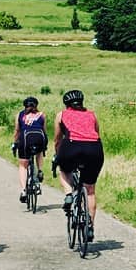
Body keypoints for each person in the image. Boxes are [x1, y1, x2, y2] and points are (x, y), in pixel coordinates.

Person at [53, 88, 103, 240]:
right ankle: (90, 227)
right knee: (90, 190)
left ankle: (69, 194)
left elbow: (57, 139)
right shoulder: (92, 115)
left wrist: (57, 155)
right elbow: (97, 134)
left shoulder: (61, 115)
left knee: (64, 170)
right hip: (94, 149)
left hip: (71, 147)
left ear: (66, 104)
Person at [13, 96, 47, 203]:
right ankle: (40, 170)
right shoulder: (42, 115)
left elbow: (17, 131)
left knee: (23, 165)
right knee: (39, 152)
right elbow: (44, 130)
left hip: (25, 139)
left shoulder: (20, 115)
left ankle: (23, 190)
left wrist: (15, 143)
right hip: (39, 138)